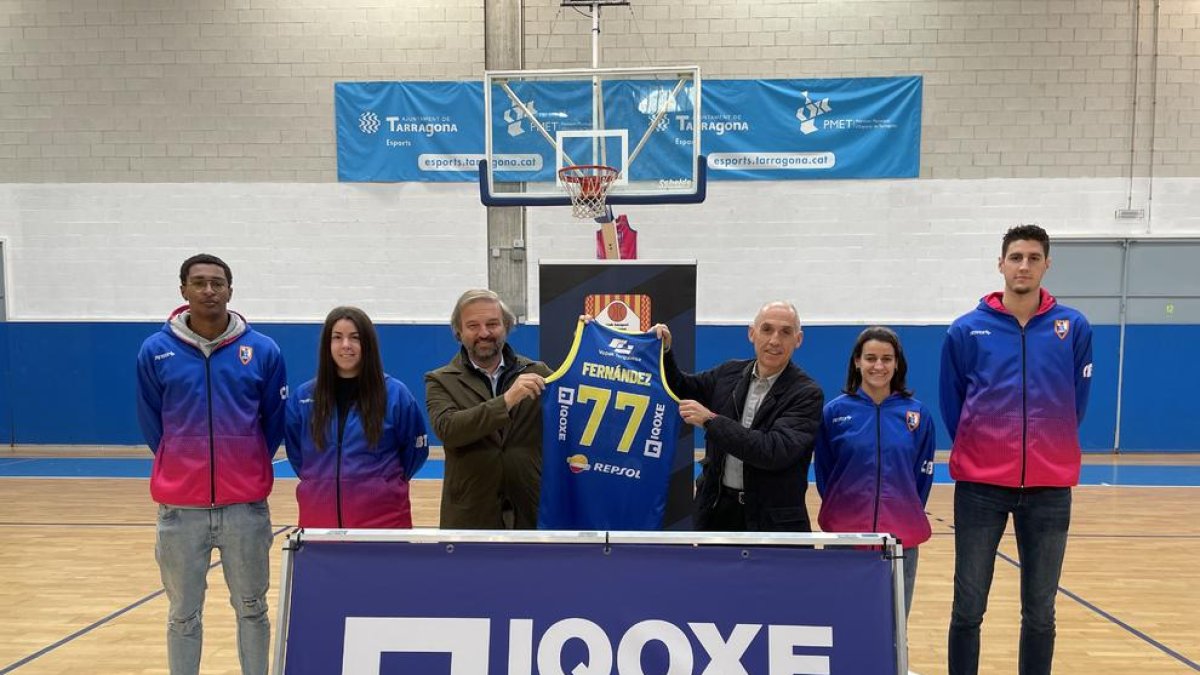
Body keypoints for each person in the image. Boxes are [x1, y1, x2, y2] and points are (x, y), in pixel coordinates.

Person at [941, 224, 1093, 675]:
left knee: (1041, 611)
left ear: (1046, 264)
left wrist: (1049, 442)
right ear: (1000, 264)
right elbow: (954, 404)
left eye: (1032, 257)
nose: (1023, 265)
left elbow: (1075, 401)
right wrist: (982, 446)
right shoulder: (966, 330)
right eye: (1015, 257)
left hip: (1049, 487)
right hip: (979, 487)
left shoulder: (1074, 327)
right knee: (968, 606)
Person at [135, 253, 287, 675]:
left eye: (217, 283)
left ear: (230, 291)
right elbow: (153, 425)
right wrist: (180, 464)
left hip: (246, 510)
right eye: (199, 282)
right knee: (183, 614)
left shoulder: (262, 350)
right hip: (180, 512)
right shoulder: (155, 351)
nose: (208, 290)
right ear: (183, 290)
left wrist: (246, 461)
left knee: (253, 610)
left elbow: (272, 425)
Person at [655, 300, 823, 531]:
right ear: (752, 334)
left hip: (773, 523)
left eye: (785, 332)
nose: (774, 340)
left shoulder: (806, 394)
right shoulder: (729, 373)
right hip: (717, 514)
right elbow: (680, 387)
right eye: (766, 329)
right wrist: (663, 351)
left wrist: (711, 420)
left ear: (798, 339)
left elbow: (772, 451)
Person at [814, 326, 936, 619]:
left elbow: (922, 477)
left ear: (897, 364)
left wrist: (902, 511)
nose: (878, 366)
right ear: (857, 361)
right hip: (845, 540)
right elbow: (826, 474)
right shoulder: (834, 413)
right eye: (870, 358)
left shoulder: (917, 416)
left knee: (893, 629)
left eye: (886, 358)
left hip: (899, 541)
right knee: (841, 623)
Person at [285, 306, 428, 528]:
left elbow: (414, 454)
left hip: (384, 526)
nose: (345, 345)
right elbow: (297, 455)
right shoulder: (303, 397)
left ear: (367, 344)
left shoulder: (396, 395)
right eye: (337, 337)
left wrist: (381, 485)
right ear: (327, 344)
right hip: (319, 526)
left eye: (355, 338)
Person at [425, 289, 552, 529]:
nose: (484, 333)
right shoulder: (440, 380)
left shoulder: (538, 372)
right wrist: (506, 401)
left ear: (506, 326)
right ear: (459, 332)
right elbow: (449, 429)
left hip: (531, 513)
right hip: (470, 519)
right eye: (473, 326)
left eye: (492, 324)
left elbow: (580, 402)